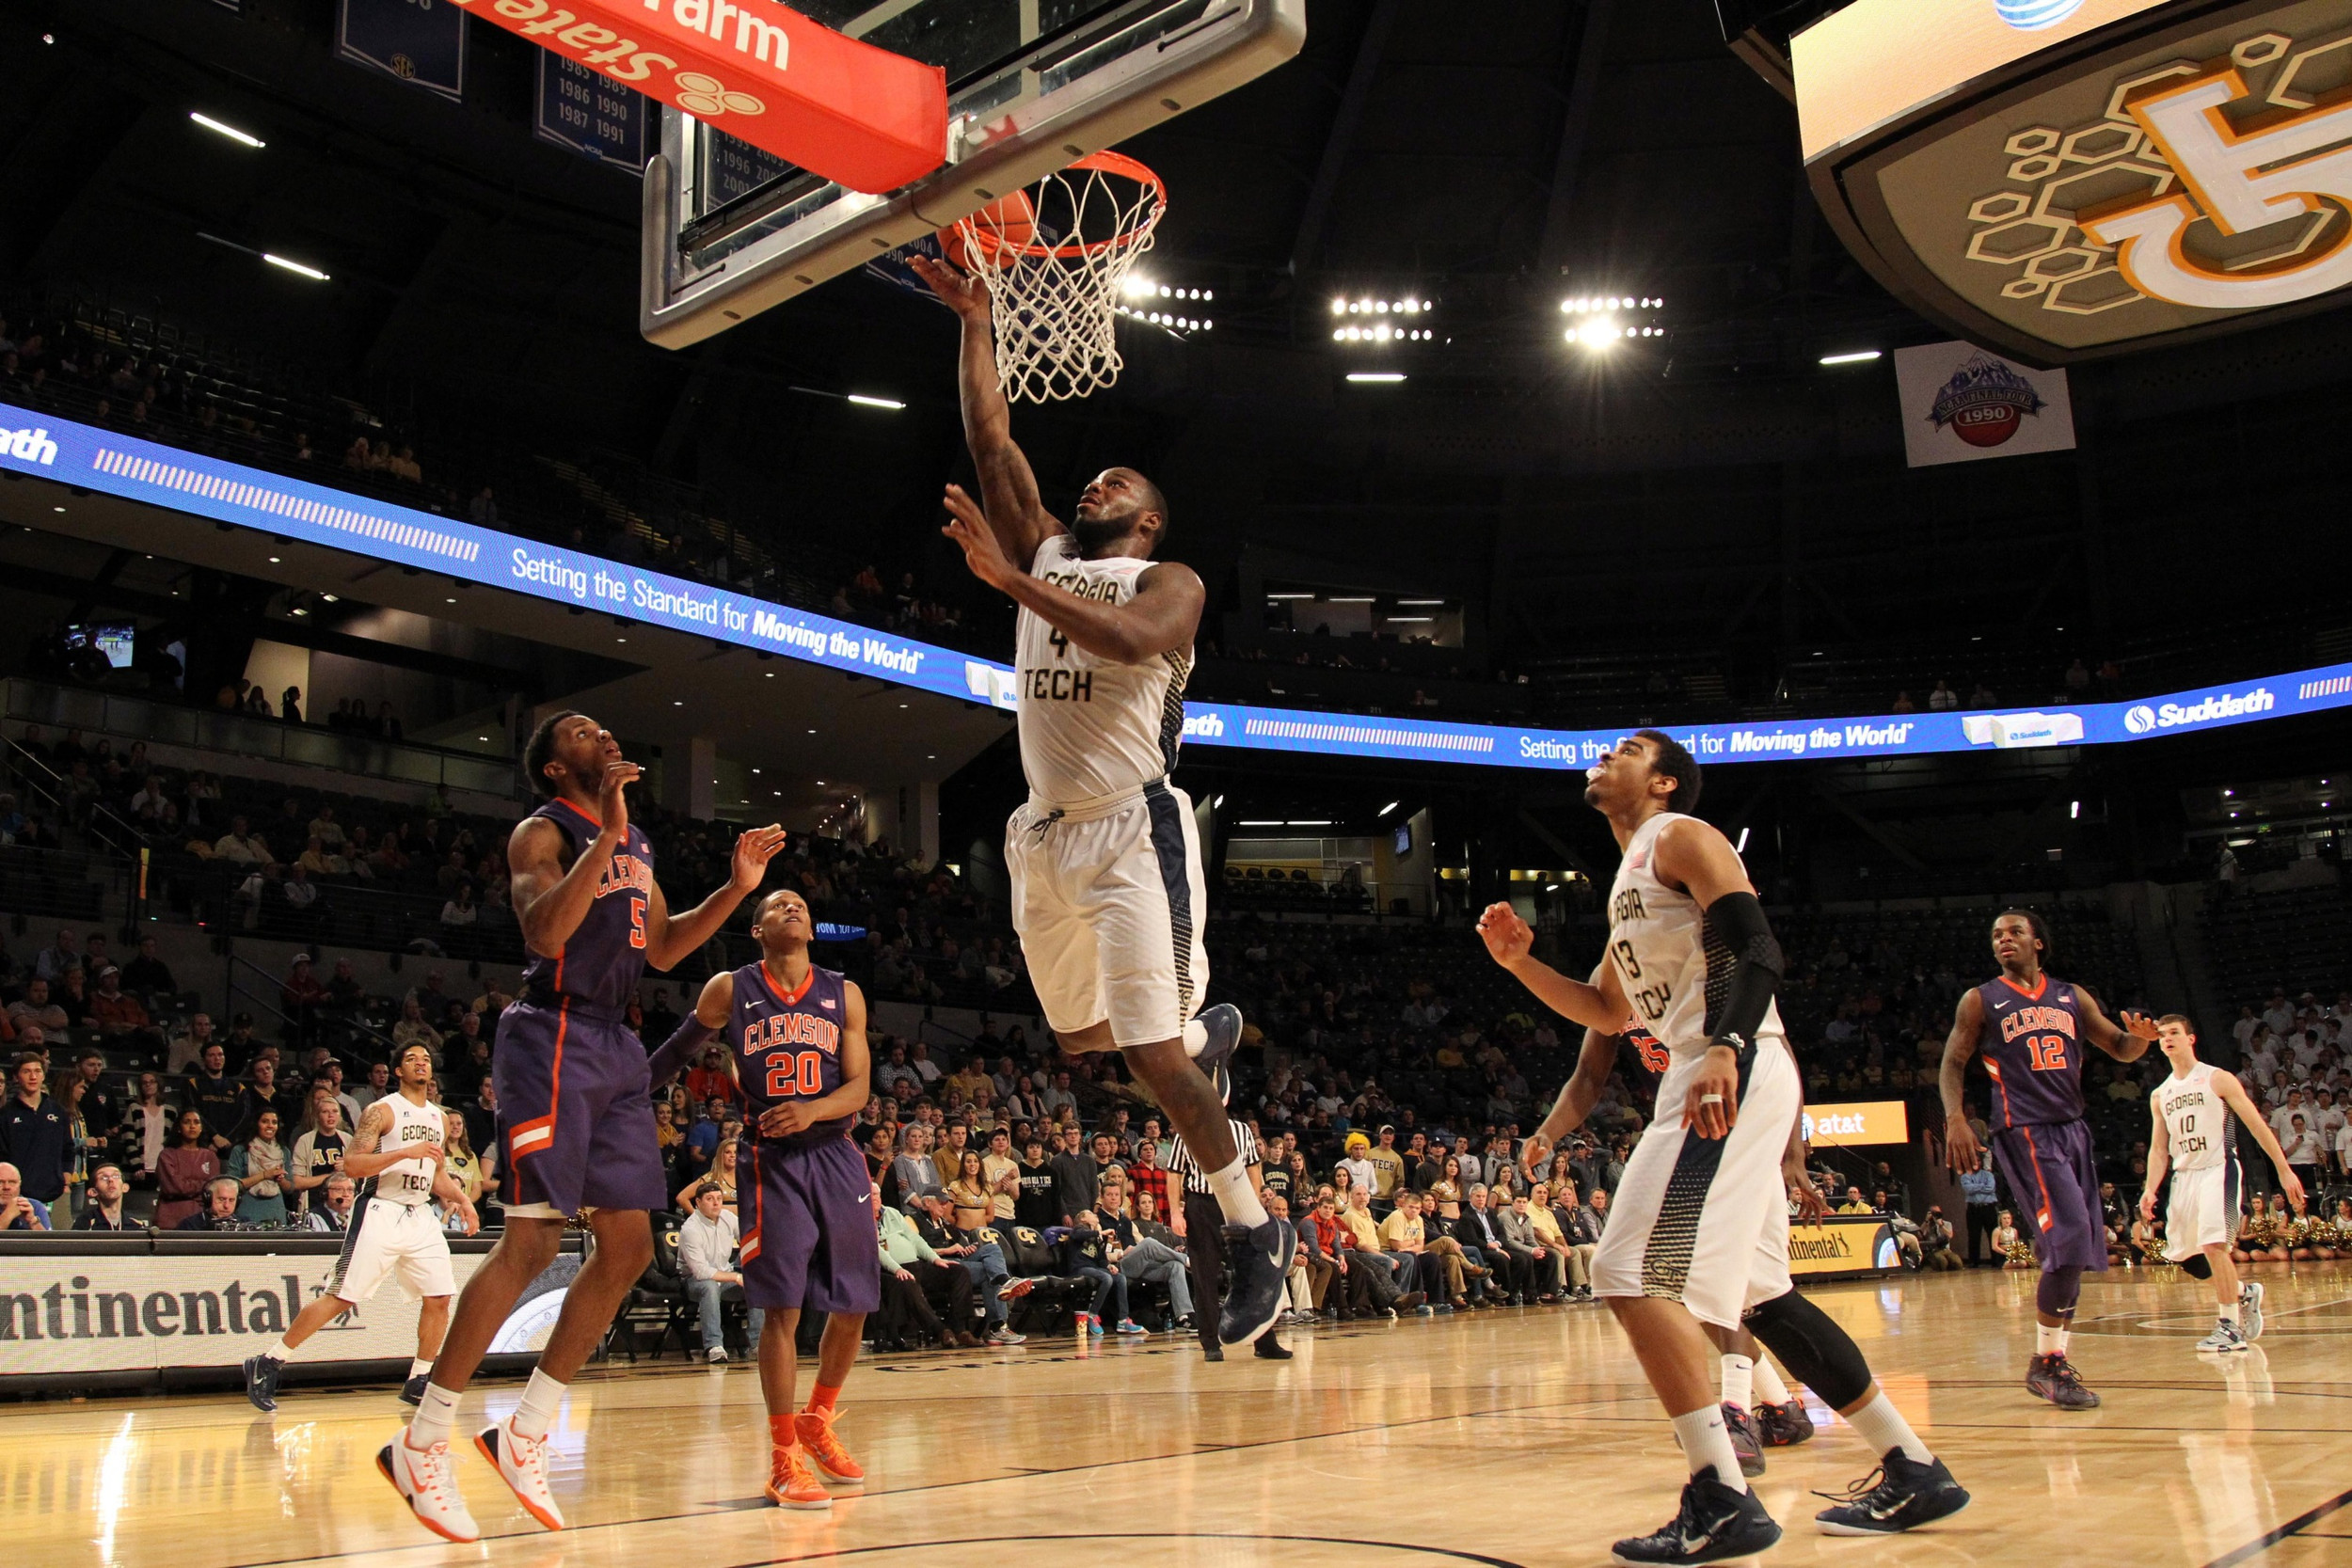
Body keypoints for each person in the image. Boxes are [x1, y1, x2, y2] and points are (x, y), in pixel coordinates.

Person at [914, 252, 1286, 1347]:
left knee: (1153, 1061)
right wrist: (978, 322)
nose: (1097, 488)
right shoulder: (1041, 545)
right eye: (1094, 481)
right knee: (1083, 1041)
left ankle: (1257, 1230)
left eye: (1120, 486)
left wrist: (1012, 585)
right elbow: (993, 442)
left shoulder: (1168, 584)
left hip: (1135, 827)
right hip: (1044, 834)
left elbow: (1126, 640)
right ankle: (1193, 1028)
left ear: (1151, 521)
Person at [1479, 731, 1967, 1562]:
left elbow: (1758, 946)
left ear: (1663, 781)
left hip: (1723, 1068)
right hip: (1719, 1068)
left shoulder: (1681, 836)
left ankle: (1721, 1492)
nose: (1604, 753)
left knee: (1626, 1271)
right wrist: (1521, 965)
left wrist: (1724, 1048)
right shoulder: (1629, 880)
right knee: (1760, 1294)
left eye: (1627, 749)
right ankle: (1912, 1463)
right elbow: (1604, 1011)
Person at [381, 712, 784, 1543]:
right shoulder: (543, 831)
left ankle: (525, 1427)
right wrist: (605, 835)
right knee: (531, 1242)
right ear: (555, 767)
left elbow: (667, 946)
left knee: (631, 1245)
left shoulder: (632, 843)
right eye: (581, 730)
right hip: (551, 1034)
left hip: (615, 1042)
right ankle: (421, 1441)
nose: (602, 733)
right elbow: (544, 931)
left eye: (602, 726)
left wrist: (738, 891)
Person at [649, 887, 877, 1510]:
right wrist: (628, 1090)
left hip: (834, 1148)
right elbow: (676, 1051)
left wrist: (811, 1111)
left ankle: (817, 1418)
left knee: (855, 1301)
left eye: (800, 903)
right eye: (778, 905)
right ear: (757, 929)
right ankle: (783, 1458)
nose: (793, 909)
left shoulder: (843, 991)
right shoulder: (731, 987)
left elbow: (859, 1088)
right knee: (782, 1305)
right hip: (768, 1158)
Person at [1941, 909, 2158, 1410]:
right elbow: (1953, 1063)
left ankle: (2052, 1361)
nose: (2004, 940)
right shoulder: (1981, 1000)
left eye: (2015, 932)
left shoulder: (2072, 995)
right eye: (1996, 935)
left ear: (2039, 942)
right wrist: (1955, 1119)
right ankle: (2046, 1364)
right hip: (2026, 1131)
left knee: (2075, 1250)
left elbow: (2119, 1046)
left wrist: (2141, 1042)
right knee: (2071, 1237)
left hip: (2073, 1130)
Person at [245, 1042, 478, 1414]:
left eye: (427, 1060)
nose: (421, 1063)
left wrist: (463, 1200)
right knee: (342, 1296)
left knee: (439, 1297)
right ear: (397, 1071)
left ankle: (419, 1378)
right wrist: (404, 1152)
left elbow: (435, 1173)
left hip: (419, 1214)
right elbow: (352, 1166)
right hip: (380, 1210)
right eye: (411, 1059)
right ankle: (269, 1361)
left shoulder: (438, 1116)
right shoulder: (380, 1111)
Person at [2139, 1016, 2305, 1354]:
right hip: (2183, 1177)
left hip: (2218, 1169)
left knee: (2215, 1246)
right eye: (2162, 1035)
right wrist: (2149, 1188)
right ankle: (2244, 1293)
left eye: (2174, 1033)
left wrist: (2284, 1170)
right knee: (2189, 1260)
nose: (2167, 1039)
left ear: (2191, 1039)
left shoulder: (2217, 1079)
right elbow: (2158, 1149)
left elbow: (2257, 1126)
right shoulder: (2161, 1094)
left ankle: (2230, 1327)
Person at [1168, 1067, 1291, 1361]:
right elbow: (1174, 1174)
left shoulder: (1241, 1130)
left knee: (1255, 1272)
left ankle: (1264, 1341)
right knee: (1205, 1274)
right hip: (1201, 1204)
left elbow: (1253, 1169)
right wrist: (1175, 1211)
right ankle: (1210, 1341)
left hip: (1237, 1203)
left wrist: (1258, 1207)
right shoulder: (1184, 1127)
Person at [678, 1181, 762, 1365]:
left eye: (718, 1199)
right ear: (698, 1203)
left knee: (756, 1284)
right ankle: (714, 1346)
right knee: (709, 1287)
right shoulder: (690, 1229)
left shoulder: (727, 1217)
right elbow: (700, 1272)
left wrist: (753, 1268)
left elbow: (747, 1242)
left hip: (725, 1276)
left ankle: (758, 1344)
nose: (716, 1203)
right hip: (693, 1282)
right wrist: (735, 1276)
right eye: (710, 1199)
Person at [74, 1163, 135, 1229]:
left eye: (116, 1176)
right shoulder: (85, 1223)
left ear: (125, 1187)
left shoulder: (135, 1224)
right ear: (93, 1192)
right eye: (103, 1177)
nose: (111, 1180)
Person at [0, 1161, 53, 1229]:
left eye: (12, 1182)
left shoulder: (35, 1206)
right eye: (0, 1182)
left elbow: (48, 1240)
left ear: (19, 1184)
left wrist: (32, 1220)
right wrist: (8, 1215)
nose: (6, 1187)